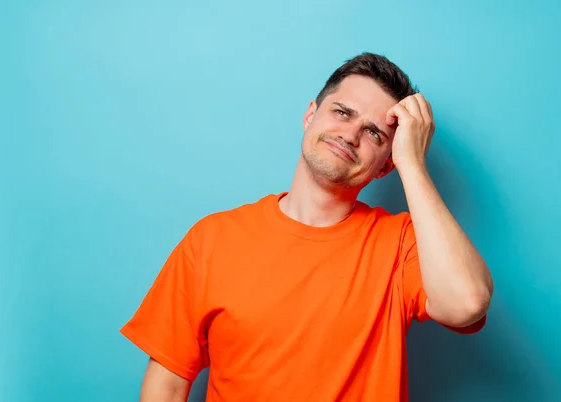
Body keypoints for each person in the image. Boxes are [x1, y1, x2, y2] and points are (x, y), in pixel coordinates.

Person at [120, 52, 494, 401]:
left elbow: (467, 303)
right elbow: (166, 384)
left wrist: (413, 164)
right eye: (343, 112)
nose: (350, 135)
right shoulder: (212, 239)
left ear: (386, 165)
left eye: (374, 133)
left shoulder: (402, 244)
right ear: (309, 115)